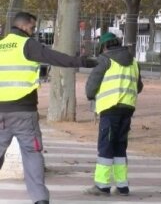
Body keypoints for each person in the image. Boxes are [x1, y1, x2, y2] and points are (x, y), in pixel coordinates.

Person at [0, 11, 96, 204]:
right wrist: (83, 61)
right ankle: (40, 199)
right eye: (33, 27)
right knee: (32, 153)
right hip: (24, 111)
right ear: (25, 26)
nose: (33, 31)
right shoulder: (27, 44)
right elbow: (55, 58)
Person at [84, 32, 143, 196]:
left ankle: (102, 186)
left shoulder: (105, 60)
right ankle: (122, 186)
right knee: (120, 146)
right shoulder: (134, 63)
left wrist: (91, 96)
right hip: (127, 108)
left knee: (106, 146)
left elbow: (91, 85)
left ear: (105, 46)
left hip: (110, 108)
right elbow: (139, 87)